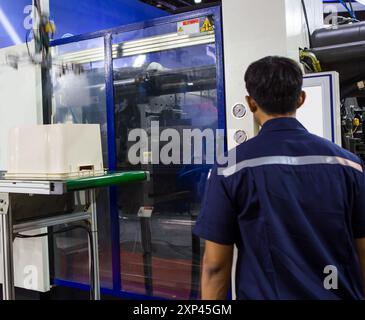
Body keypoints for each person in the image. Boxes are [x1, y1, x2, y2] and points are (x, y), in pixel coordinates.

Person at [193, 56, 365, 300]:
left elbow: (215, 266)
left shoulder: (230, 167)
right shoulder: (349, 165)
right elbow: (362, 251)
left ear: (251, 103)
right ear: (301, 99)